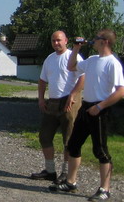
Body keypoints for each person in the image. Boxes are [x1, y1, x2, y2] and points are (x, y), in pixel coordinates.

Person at [50, 29, 124, 202]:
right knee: (73, 145)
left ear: (105, 41)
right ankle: (71, 182)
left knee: (100, 150)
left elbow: (121, 91)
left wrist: (100, 107)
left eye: (96, 38)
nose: (93, 40)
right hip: (86, 107)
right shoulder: (92, 60)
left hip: (100, 109)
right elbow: (71, 66)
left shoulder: (112, 63)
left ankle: (105, 189)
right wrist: (76, 48)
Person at [30, 31, 85, 183]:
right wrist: (41, 99)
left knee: (69, 139)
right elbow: (42, 80)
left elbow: (83, 77)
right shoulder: (49, 59)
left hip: (69, 102)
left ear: (66, 40)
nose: (56, 43)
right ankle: (50, 171)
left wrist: (73, 95)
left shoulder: (73, 56)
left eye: (59, 40)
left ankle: (66, 173)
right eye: (53, 41)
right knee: (45, 136)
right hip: (53, 102)